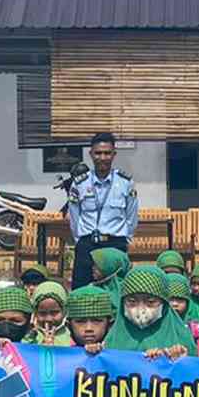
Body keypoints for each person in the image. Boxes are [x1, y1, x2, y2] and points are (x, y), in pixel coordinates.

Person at [67, 132, 140, 289]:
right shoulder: (79, 184)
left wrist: (125, 239)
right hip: (87, 245)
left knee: (117, 290)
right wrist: (79, 240)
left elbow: (131, 216)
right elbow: (74, 217)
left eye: (107, 153)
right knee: (81, 291)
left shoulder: (125, 183)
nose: (102, 157)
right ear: (91, 154)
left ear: (114, 154)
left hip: (115, 245)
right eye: (98, 153)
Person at [107, 268, 196, 357]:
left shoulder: (181, 338)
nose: (140, 310)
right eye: (132, 301)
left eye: (150, 302)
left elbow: (192, 367)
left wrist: (174, 359)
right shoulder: (111, 340)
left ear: (164, 304)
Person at [65, 285, 115, 352]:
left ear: (109, 325)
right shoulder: (61, 352)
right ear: (69, 325)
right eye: (80, 321)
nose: (89, 328)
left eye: (97, 320)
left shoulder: (119, 351)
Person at [87, 246, 133, 313]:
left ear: (111, 267)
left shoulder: (126, 290)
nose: (93, 268)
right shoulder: (92, 287)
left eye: (98, 265)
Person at [29, 281, 72, 347]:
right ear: (35, 312)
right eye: (42, 313)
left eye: (54, 312)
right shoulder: (30, 337)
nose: (48, 319)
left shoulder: (73, 337)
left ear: (64, 311)